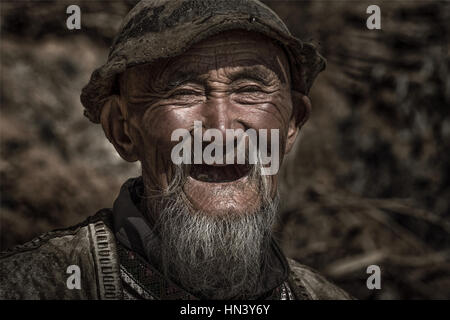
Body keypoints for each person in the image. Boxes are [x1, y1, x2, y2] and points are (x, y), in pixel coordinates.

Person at [0, 0, 352, 300]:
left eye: (250, 90)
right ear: (123, 130)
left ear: (292, 124)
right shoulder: (33, 287)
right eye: (184, 92)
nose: (221, 131)